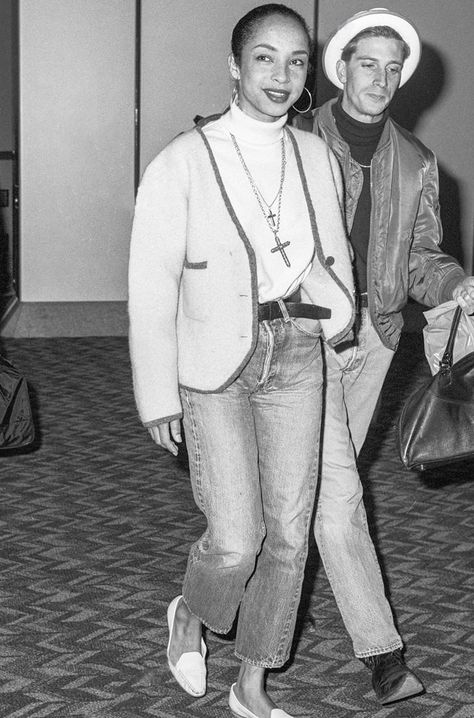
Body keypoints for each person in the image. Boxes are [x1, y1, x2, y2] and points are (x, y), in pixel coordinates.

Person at [128, 5, 355, 717]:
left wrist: (339, 319)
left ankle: (252, 682)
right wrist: (156, 393)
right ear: (234, 65)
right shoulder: (183, 160)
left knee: (290, 536)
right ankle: (191, 616)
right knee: (236, 539)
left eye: (296, 61)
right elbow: (149, 285)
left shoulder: (315, 154)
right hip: (215, 359)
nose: (282, 76)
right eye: (265, 58)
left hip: (297, 352)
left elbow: (330, 255)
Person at [294, 7, 474, 706]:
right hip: (299, 341)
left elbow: (422, 259)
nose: (382, 78)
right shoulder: (298, 140)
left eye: (393, 67)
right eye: (368, 63)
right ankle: (384, 654)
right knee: (331, 495)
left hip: (373, 345)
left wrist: (458, 284)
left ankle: (208, 605)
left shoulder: (417, 162)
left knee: (307, 495)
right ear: (341, 69)